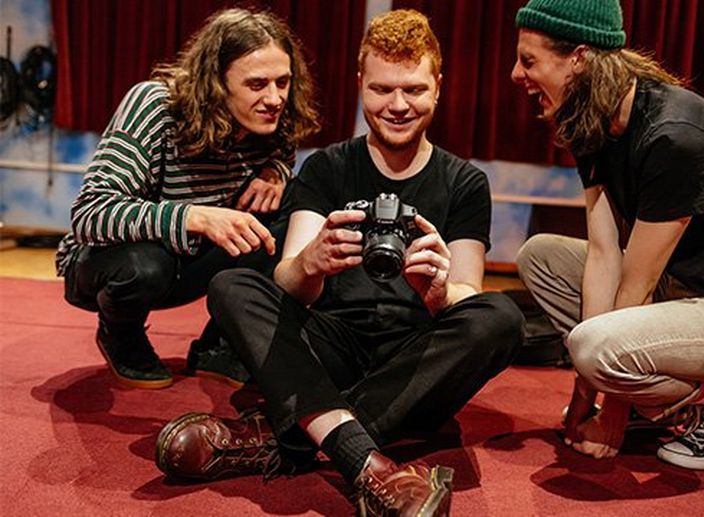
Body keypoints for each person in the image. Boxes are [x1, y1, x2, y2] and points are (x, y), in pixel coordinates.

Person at [154, 9, 524, 516]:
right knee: (232, 285)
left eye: (413, 90)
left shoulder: (464, 183)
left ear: (438, 86)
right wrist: (312, 262)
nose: (397, 106)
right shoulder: (327, 167)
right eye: (381, 90)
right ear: (359, 85)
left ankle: (288, 435)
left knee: (501, 318)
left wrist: (438, 291)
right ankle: (364, 456)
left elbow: (466, 293)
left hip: (415, 358)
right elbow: (289, 282)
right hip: (331, 344)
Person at [512, 0, 704, 470]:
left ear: (580, 58)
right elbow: (606, 255)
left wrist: (612, 418)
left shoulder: (674, 135)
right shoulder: (592, 121)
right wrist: (582, 406)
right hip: (682, 295)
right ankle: (660, 395)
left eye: (528, 60)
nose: (515, 75)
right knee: (541, 256)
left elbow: (636, 286)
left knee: (594, 345)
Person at [55, 8, 321, 389]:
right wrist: (196, 217)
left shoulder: (272, 118)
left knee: (301, 205)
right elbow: (89, 213)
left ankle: (219, 346)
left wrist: (275, 171)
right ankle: (121, 335)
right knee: (145, 265)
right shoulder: (155, 105)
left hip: (193, 261)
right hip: (114, 265)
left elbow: (284, 158)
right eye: (257, 84)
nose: (275, 98)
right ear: (216, 82)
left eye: (283, 82)